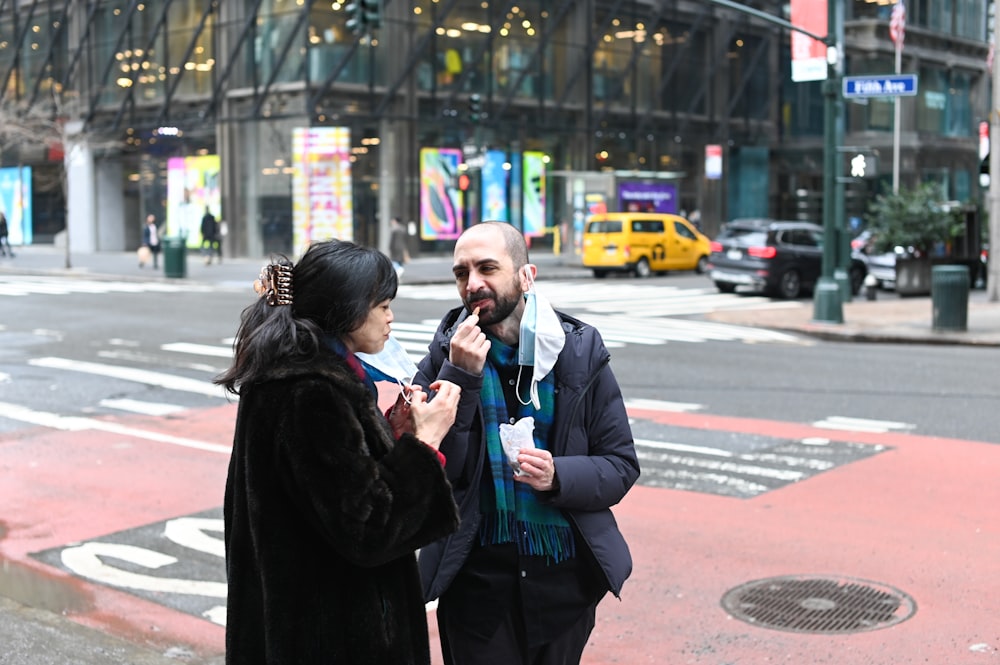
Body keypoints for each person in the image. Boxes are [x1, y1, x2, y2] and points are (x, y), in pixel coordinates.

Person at [216, 239, 462, 665]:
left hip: (296, 626)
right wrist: (425, 443)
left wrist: (392, 433)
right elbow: (369, 528)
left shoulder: (294, 373)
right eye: (381, 305)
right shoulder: (311, 392)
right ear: (346, 308)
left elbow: (328, 487)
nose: (390, 317)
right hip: (333, 636)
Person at [414, 221, 640, 665]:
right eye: (462, 273)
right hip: (476, 585)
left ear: (525, 275)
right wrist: (460, 378)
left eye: (487, 268)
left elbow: (620, 465)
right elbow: (438, 474)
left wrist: (559, 475)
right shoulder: (445, 358)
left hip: (563, 583)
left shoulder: (579, 353)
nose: (472, 283)